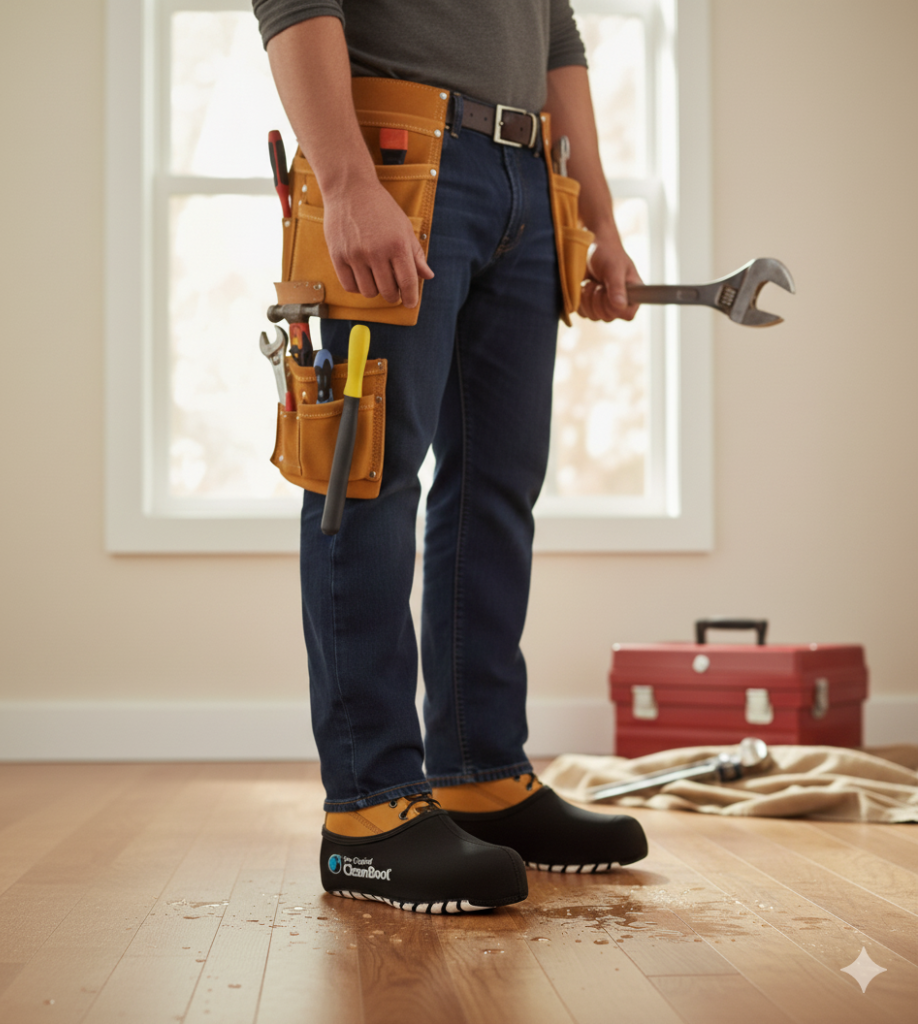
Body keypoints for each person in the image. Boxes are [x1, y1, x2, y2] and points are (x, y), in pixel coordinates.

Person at [253, 0, 648, 913]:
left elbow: (553, 36)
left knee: (500, 488)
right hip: (396, 155)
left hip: (525, 173)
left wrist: (597, 216)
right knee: (364, 476)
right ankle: (368, 816)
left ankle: (479, 776)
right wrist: (348, 182)